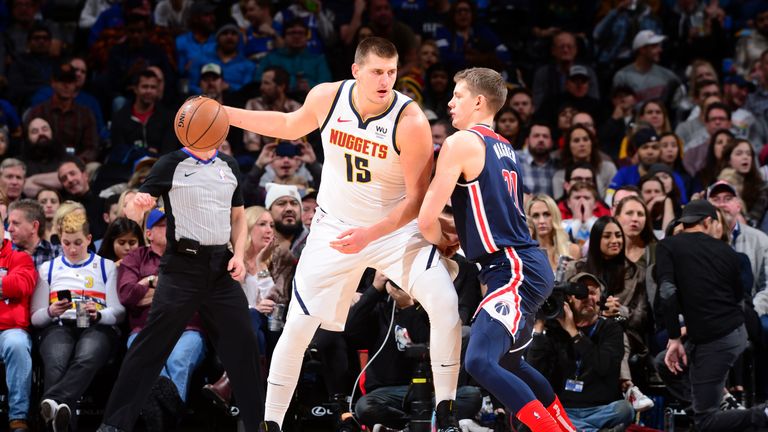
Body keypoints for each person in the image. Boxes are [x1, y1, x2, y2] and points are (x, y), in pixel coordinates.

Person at [224, 36, 463, 432]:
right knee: (299, 323)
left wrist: (371, 234)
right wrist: (224, 113)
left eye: (392, 72)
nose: (386, 80)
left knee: (444, 304)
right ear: (356, 71)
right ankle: (269, 423)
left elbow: (417, 200)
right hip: (334, 226)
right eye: (377, 72)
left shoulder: (411, 120)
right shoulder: (328, 97)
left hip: (392, 230)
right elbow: (287, 125)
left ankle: (447, 414)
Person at [417, 67, 576, 431]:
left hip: (512, 268)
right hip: (522, 264)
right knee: (509, 364)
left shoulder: (460, 143)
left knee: (479, 361)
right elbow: (489, 216)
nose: (449, 102)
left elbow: (426, 220)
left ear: (478, 101)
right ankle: (565, 426)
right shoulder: (503, 146)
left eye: (457, 96)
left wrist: (443, 244)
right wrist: (459, 233)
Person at [95, 106, 264, 431]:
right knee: (151, 346)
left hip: (220, 268)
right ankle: (114, 425)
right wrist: (136, 205)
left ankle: (257, 424)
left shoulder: (228, 165)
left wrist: (239, 255)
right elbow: (132, 207)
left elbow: (239, 217)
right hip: (181, 267)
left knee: (244, 342)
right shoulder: (171, 163)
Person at [656, 200, 768, 431]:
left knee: (705, 422)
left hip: (715, 339)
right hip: (730, 332)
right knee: (667, 365)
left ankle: (762, 414)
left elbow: (667, 293)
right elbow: (739, 296)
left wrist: (675, 337)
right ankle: (720, 404)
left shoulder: (668, 245)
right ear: (708, 222)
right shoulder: (726, 250)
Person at [31, 211, 125, 432]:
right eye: (66, 243)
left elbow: (119, 312)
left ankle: (51, 401)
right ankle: (62, 423)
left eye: (78, 243)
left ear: (89, 239)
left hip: (95, 324)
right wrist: (51, 311)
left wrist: (100, 314)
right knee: (56, 364)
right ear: (60, 240)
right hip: (60, 325)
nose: (72, 249)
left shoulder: (106, 266)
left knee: (87, 356)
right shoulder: (49, 268)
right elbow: (35, 317)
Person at [117, 208, 207, 406]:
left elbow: (198, 293)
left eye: (174, 224)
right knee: (150, 363)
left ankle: (162, 420)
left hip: (187, 329)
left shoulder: (191, 256)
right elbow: (126, 295)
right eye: (164, 225)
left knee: (178, 360)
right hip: (145, 330)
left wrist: (147, 286)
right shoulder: (136, 258)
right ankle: (168, 419)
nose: (171, 229)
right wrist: (154, 281)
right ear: (148, 233)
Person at [527, 272, 635, 431]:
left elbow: (604, 366)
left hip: (601, 408)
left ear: (600, 299)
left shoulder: (611, 329)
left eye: (592, 293)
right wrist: (539, 327)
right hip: (564, 409)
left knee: (625, 409)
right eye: (580, 293)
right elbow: (535, 373)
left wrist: (573, 332)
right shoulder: (555, 331)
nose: (587, 297)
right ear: (569, 299)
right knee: (540, 413)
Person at [0, 214, 38, 432]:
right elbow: (10, 285)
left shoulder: (20, 257)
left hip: (10, 330)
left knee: (17, 344)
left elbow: (21, 285)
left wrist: (9, 286)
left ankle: (18, 416)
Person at [7, 199, 61, 266]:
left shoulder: (57, 254)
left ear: (34, 226)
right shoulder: (5, 254)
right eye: (9, 223)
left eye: (15, 223)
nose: (9, 229)